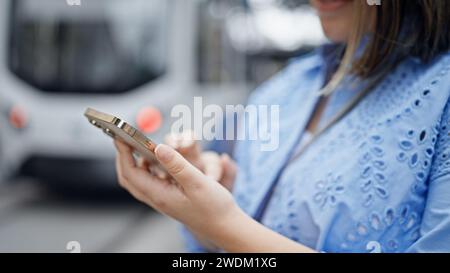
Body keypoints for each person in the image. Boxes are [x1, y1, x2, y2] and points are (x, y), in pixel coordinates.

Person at [114, 0, 450, 253]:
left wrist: (223, 223)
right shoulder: (283, 87)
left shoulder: (441, 93)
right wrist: (213, 192)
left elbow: (236, 232)